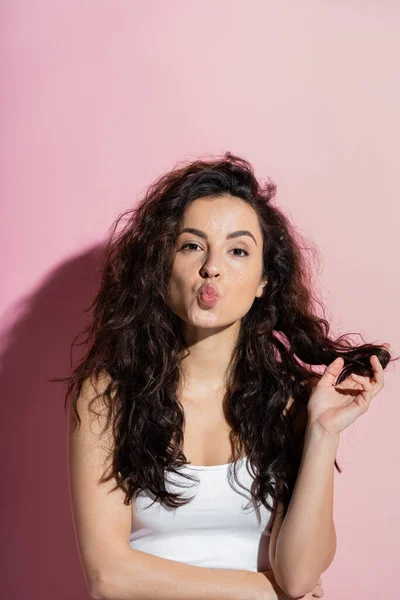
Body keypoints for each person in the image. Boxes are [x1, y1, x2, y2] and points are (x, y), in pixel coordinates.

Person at [60, 152, 393, 600]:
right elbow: (108, 578)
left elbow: (297, 576)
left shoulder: (292, 402)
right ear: (162, 267)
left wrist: (321, 431)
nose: (211, 267)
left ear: (263, 282)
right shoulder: (109, 396)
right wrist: (258, 592)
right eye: (192, 245)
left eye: (237, 250)